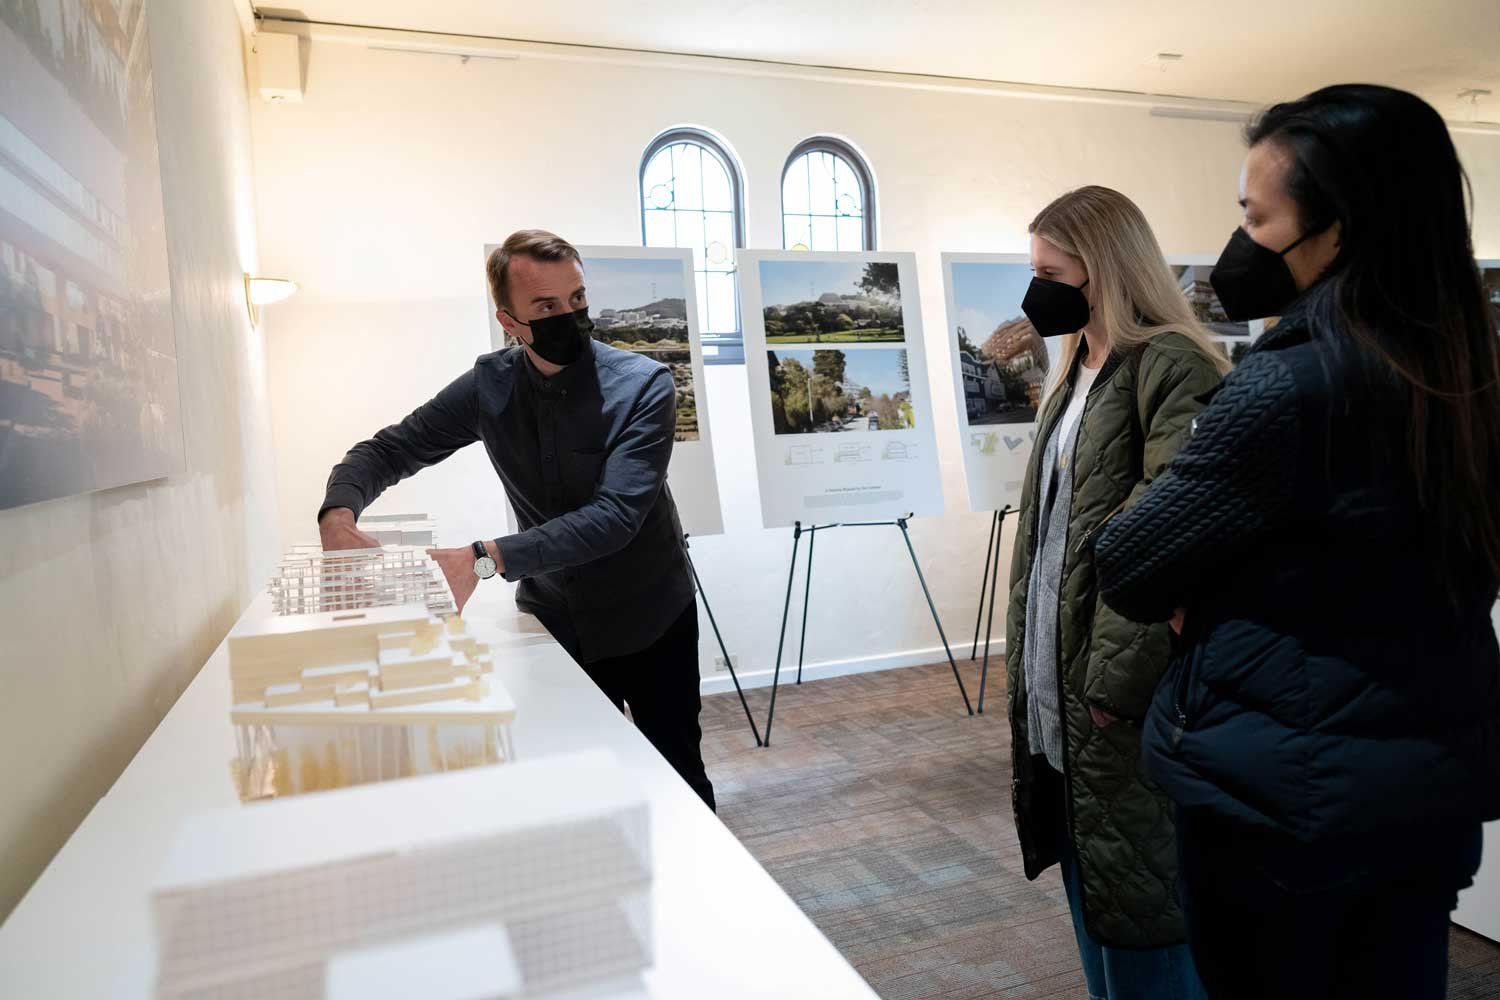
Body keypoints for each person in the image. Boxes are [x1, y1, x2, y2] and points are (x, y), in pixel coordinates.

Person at [1094, 84, 1500, 999]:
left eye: (1256, 216)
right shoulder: (1462, 369)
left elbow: (1130, 563)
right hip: (1424, 781)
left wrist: (1213, 576)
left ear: (1338, 231)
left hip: (1283, 795)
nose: (1240, 241)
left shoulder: (1293, 386)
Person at [318, 229, 716, 810]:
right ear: (510, 322)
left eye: (577, 299)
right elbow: (389, 450)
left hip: (649, 616)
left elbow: (614, 518)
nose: (570, 317)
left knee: (677, 775)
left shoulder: (644, 386)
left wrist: (483, 558)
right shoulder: (490, 386)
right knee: (574, 777)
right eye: (547, 307)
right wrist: (337, 511)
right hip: (556, 620)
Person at [1004, 185, 1226, 1000]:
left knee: (1144, 912)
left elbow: (1173, 533)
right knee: (1100, 893)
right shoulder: (1079, 369)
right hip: (1060, 690)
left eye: (1050, 271)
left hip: (1115, 699)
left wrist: (1113, 685)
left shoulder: (1170, 365)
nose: (1037, 291)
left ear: (1103, 268)